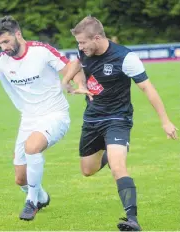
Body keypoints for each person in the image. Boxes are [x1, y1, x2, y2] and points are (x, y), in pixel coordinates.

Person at [0, 15, 90, 221]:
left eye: (6, 41)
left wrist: (79, 84)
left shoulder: (41, 51)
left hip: (55, 114)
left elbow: (71, 68)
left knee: (32, 147)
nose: (3, 47)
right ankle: (41, 196)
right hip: (29, 119)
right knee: (20, 179)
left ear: (18, 34)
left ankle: (31, 202)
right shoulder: (1, 61)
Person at [62, 16, 178, 231]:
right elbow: (76, 63)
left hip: (118, 118)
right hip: (92, 119)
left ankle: (132, 219)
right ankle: (115, 149)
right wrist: (67, 81)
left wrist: (165, 121)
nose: (80, 47)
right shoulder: (84, 52)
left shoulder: (125, 57)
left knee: (118, 167)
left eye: (82, 42)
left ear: (97, 38)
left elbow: (148, 89)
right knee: (87, 170)